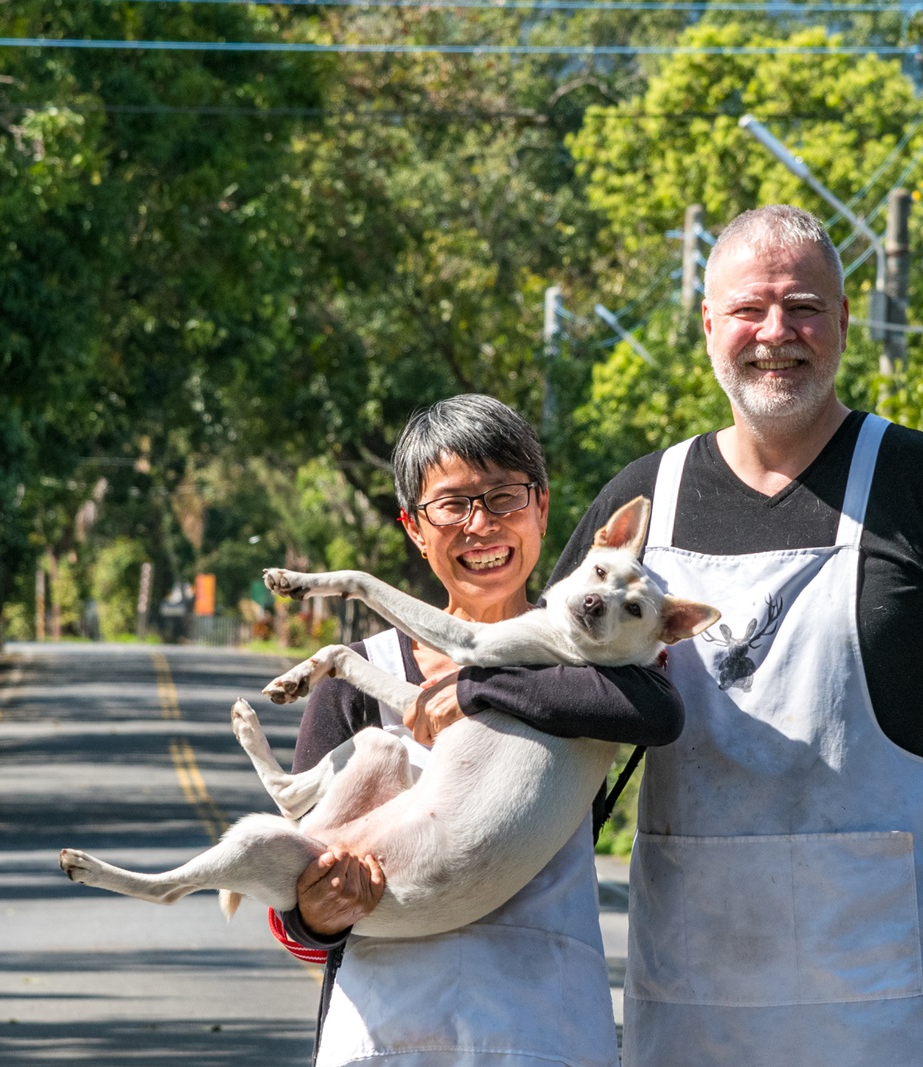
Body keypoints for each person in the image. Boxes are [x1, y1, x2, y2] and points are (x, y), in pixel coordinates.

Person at [547, 205, 923, 1065]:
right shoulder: (648, 500)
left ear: (843, 319)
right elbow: (557, 695)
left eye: (803, 307)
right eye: (750, 309)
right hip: (697, 982)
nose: (776, 333)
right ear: (709, 323)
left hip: (894, 999)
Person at [269, 393, 682, 1067]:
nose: (482, 524)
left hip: (544, 1033)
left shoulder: (598, 668)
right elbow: (290, 890)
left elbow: (661, 715)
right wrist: (313, 912)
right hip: (385, 1037)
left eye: (504, 497)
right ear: (413, 527)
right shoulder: (358, 679)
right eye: (452, 504)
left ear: (542, 508)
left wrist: (473, 685)